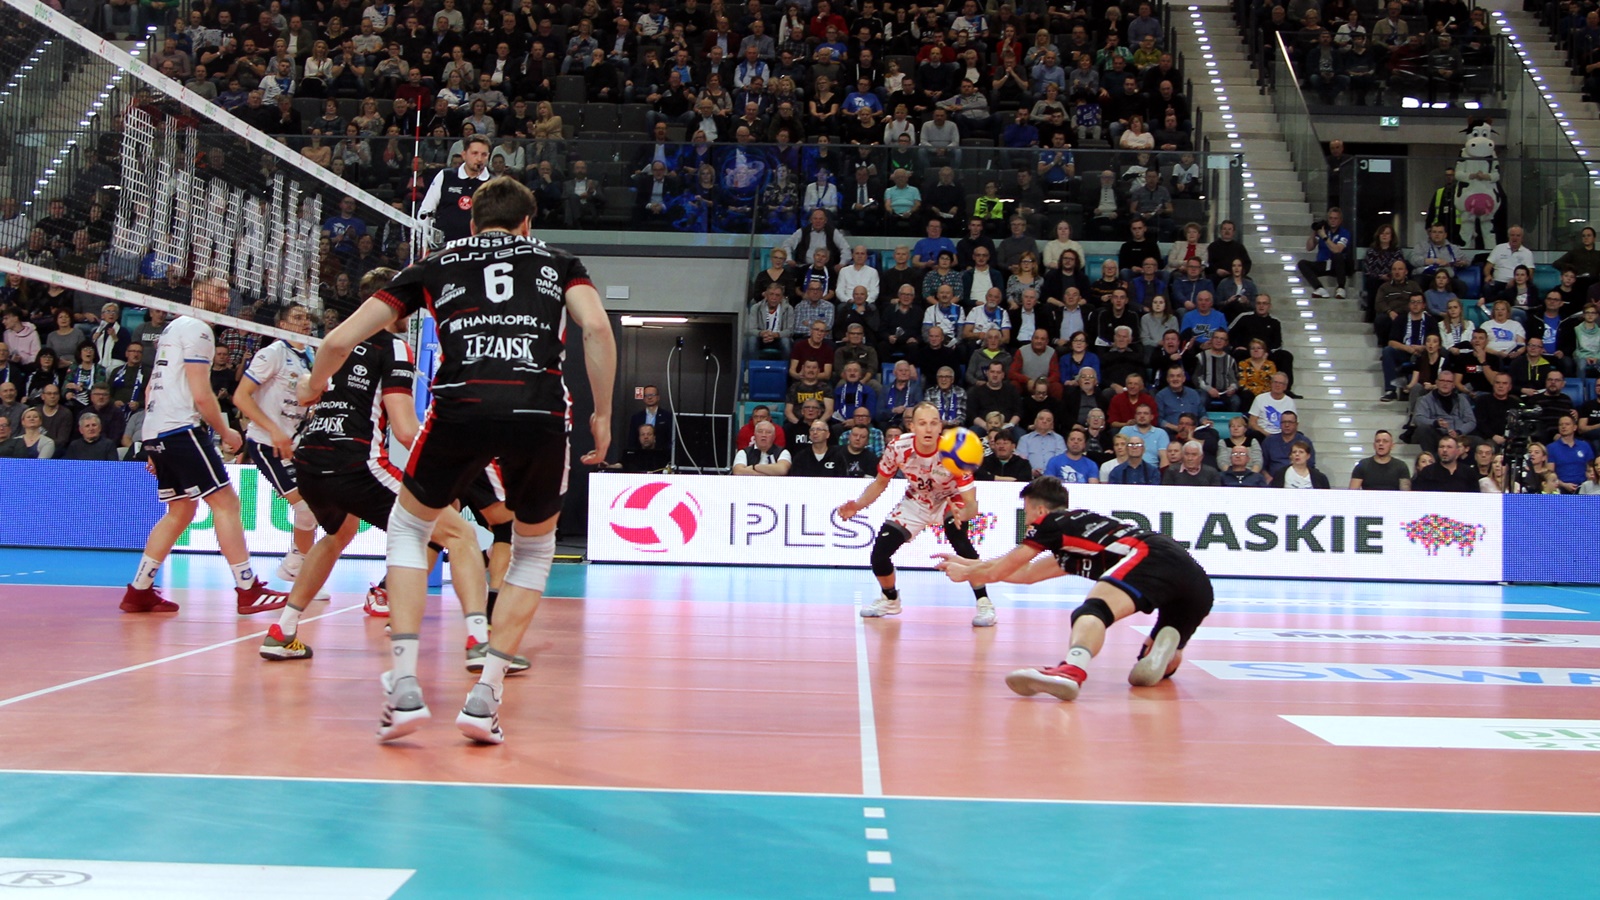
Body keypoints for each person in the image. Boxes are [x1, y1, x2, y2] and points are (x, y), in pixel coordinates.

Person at [303, 176, 616, 746]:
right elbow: (595, 326)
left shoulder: (436, 262)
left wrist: (314, 385)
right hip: (539, 411)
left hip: (460, 408)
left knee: (409, 529)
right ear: (528, 223)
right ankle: (485, 696)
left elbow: (338, 341)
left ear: (471, 224)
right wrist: (604, 414)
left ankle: (404, 685)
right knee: (533, 549)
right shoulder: (561, 262)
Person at [263, 268, 498, 669]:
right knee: (458, 533)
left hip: (310, 462)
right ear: (395, 304)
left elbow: (305, 393)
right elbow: (405, 430)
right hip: (357, 463)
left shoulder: (334, 344)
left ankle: (283, 632)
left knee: (338, 533)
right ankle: (479, 640)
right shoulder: (394, 348)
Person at [936, 476, 1215, 701]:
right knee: (1143, 673)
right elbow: (1028, 574)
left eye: (1027, 512)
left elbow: (1002, 570)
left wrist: (967, 574)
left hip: (1149, 555)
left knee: (1093, 610)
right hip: (1196, 581)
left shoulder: (1050, 523)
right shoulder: (1079, 531)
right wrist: (968, 563)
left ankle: (1072, 669)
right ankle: (1167, 646)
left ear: (1040, 510)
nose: (1027, 521)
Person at [120, 278, 290, 616]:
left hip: (159, 428)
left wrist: (152, 441)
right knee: (226, 502)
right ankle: (248, 589)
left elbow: (153, 385)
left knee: (181, 511)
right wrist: (226, 431)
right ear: (198, 293)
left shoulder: (172, 328)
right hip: (180, 427)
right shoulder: (199, 329)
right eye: (218, 290)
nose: (225, 297)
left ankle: (139, 591)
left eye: (227, 291)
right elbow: (201, 393)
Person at [836, 402, 996, 627]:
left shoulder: (954, 451)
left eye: (933, 423)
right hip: (916, 501)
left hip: (950, 500)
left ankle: (984, 603)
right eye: (922, 423)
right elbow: (881, 482)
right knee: (879, 555)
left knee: (961, 542)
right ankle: (890, 599)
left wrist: (964, 513)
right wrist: (858, 505)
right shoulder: (898, 447)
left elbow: (972, 504)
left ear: (940, 427)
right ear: (911, 426)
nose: (928, 429)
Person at [231, 303, 319, 591]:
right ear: (282, 324)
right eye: (297, 317)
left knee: (313, 509)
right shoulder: (272, 353)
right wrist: (274, 430)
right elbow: (241, 397)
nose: (305, 322)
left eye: (307, 317)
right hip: (267, 443)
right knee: (306, 507)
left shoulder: (312, 355)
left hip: (296, 444)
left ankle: (295, 566)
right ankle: (298, 570)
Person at [417, 134, 492, 246]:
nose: (479, 159)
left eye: (484, 154)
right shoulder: (445, 176)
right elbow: (426, 210)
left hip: (479, 248)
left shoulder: (493, 184)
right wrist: (422, 244)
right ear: (464, 155)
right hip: (444, 247)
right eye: (474, 153)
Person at [1296, 207, 1351, 299]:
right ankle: (1319, 288)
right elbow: (1309, 248)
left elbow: (1337, 249)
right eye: (1330, 218)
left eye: (1335, 218)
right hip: (1322, 264)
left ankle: (1341, 287)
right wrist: (1314, 233)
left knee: (1338, 256)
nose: (1333, 221)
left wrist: (1324, 237)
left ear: (1340, 220)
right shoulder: (1324, 231)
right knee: (1302, 263)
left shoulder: (1344, 233)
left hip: (1336, 266)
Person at [1411, 434, 1480, 491]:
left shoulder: (1468, 472)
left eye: (1449, 447)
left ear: (1457, 451)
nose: (1444, 450)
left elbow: (1475, 497)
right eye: (1441, 447)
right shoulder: (1427, 472)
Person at [628, 384, 673, 450]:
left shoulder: (667, 416)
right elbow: (632, 440)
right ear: (643, 398)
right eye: (646, 395)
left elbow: (671, 439)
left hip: (662, 453)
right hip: (641, 453)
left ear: (658, 397)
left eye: (652, 395)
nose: (649, 397)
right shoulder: (636, 417)